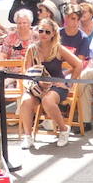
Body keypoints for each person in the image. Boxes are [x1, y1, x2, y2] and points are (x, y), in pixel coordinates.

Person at [18, 17, 81, 148]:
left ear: (53, 34)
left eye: (47, 32)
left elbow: (78, 64)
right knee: (25, 100)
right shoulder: (32, 49)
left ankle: (63, 129)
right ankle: (28, 136)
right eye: (41, 31)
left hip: (56, 86)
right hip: (36, 87)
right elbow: (26, 71)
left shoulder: (58, 49)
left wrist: (69, 84)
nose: (44, 34)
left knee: (48, 101)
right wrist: (35, 84)